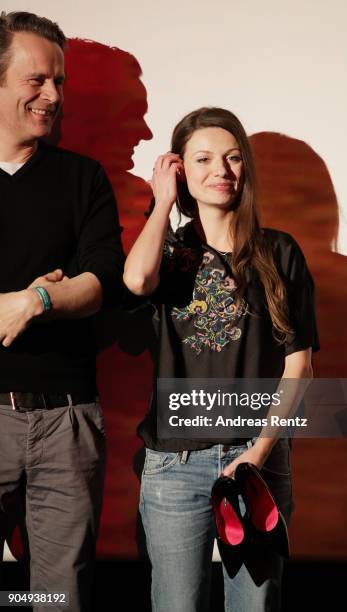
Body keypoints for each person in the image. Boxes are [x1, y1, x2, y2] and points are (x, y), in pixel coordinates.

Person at [124, 107, 319, 612]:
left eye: (233, 158)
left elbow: (299, 368)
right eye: (204, 158)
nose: (222, 170)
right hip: (174, 466)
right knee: (175, 605)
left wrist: (259, 453)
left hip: (258, 463)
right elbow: (135, 282)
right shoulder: (166, 252)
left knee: (256, 607)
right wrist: (162, 202)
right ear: (180, 168)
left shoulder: (280, 252)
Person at [0, 11, 123, 612]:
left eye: (60, 82)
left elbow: (98, 284)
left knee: (57, 599)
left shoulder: (84, 180)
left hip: (67, 424)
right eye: (37, 80)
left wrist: (35, 298)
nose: (52, 95)